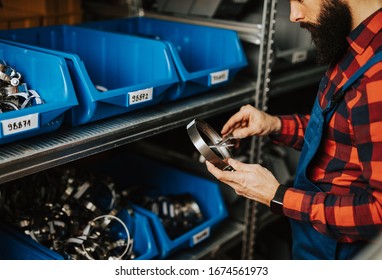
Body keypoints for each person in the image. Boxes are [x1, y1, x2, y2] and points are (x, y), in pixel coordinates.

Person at [206, 0, 382, 260]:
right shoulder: (358, 44)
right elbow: (342, 135)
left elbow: (378, 213)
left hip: (343, 254)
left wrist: (277, 196)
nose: (294, 15)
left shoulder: (376, 77)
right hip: (317, 236)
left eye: (300, 0)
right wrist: (274, 124)